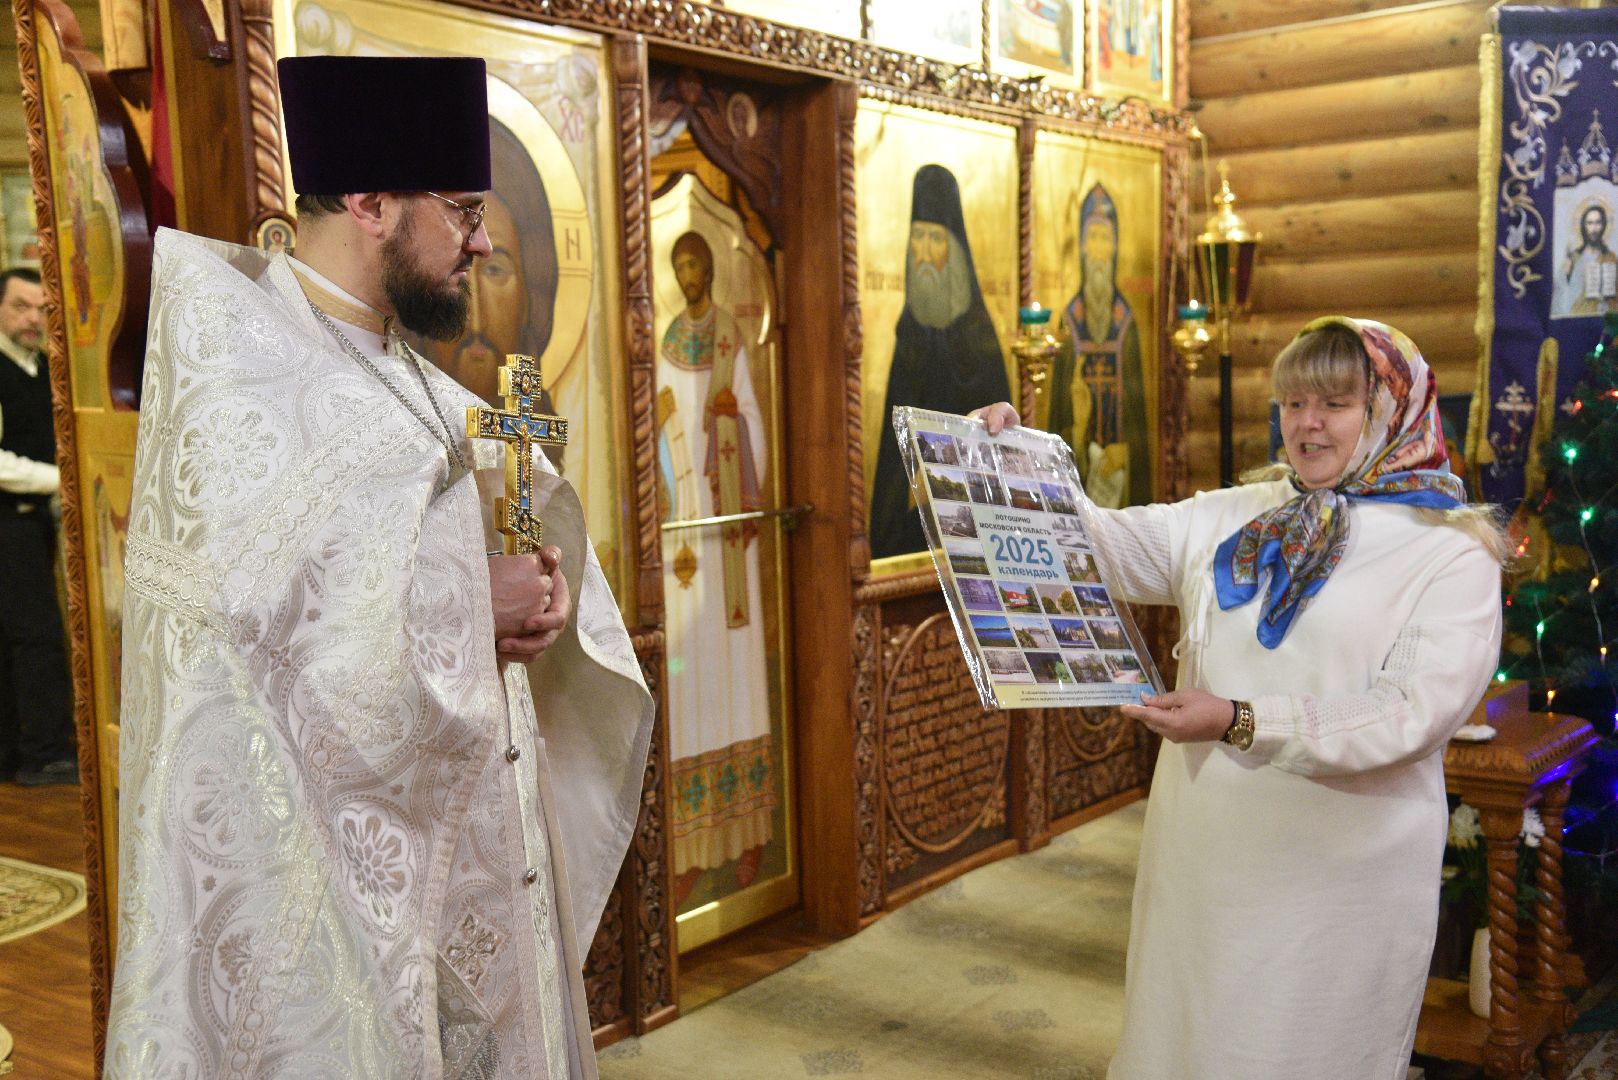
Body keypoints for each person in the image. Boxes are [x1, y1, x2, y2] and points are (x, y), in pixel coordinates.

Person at [105, 56, 654, 1079]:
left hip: (451, 872)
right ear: (366, 200)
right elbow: (248, 639)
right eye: (459, 211)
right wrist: (460, 603)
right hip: (321, 891)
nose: (482, 243)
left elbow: (433, 551)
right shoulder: (240, 368)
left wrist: (541, 592)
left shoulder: (401, 366)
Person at [976, 316, 1507, 1079]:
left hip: (1339, 873)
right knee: (1188, 1044)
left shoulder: (1449, 549)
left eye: (1334, 403)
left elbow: (1408, 713)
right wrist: (1007, 463)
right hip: (1205, 853)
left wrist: (1239, 719)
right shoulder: (1232, 515)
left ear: (1392, 410)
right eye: (1293, 403)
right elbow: (1092, 547)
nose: (1307, 424)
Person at [655, 230, 776, 904]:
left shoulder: (730, 336)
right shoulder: (668, 340)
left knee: (737, 677)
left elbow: (753, 416)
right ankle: (697, 844)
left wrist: (734, 417)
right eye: (681, 265)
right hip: (685, 538)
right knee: (693, 681)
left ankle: (750, 835)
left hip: (730, 534)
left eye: (698, 262)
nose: (691, 273)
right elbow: (661, 428)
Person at [868, 163, 1012, 558]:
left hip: (976, 529)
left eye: (936, 238)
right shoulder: (909, 331)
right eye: (918, 238)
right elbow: (890, 449)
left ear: (954, 247)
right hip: (911, 532)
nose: (926, 252)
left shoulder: (977, 332)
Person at [0, 267, 77, 786]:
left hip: (36, 522)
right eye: (19, 306)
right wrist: (63, 480)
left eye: (40, 308)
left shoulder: (38, 364)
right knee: (34, 637)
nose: (32, 319)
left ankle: (31, 747)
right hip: (8, 521)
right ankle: (41, 752)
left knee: (34, 637)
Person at [1047, 183, 1149, 508]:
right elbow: (1057, 415)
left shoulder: (1126, 320)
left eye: (1106, 238)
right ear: (1081, 247)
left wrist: (1127, 447)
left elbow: (1138, 410)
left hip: (1119, 470)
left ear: (1115, 247)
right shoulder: (1069, 320)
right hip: (1080, 462)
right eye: (1092, 238)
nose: (1099, 248)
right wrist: (1076, 435)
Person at [1552, 202, 1618, 318]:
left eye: (1598, 223)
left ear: (1604, 226)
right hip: (1576, 316)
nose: (1594, 228)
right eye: (1590, 223)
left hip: (1604, 319)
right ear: (1584, 226)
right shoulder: (1574, 257)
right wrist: (1565, 274)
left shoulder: (1610, 258)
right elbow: (1560, 292)